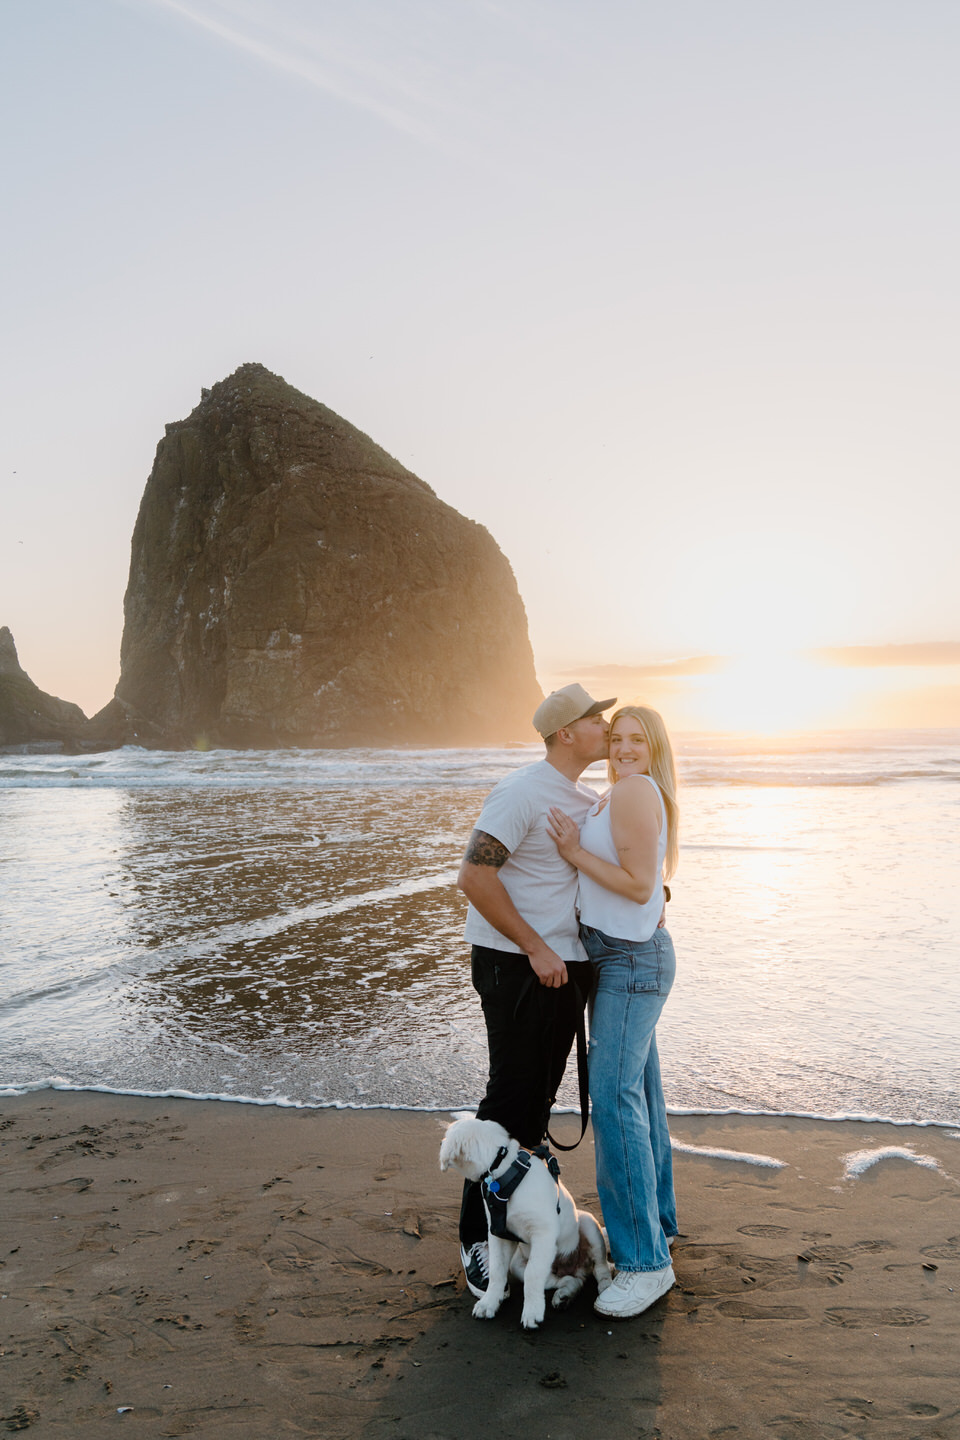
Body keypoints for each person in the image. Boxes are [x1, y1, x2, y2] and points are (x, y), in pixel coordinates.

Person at [455, 683, 616, 1295]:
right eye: (595, 718)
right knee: (509, 1105)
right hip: (516, 965)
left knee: (536, 1109)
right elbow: (474, 875)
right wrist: (535, 946)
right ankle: (476, 1242)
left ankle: (517, 1231)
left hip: (563, 969)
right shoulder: (522, 791)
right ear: (566, 732)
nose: (606, 724)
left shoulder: (584, 798)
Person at [547, 704, 679, 1319]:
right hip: (623, 959)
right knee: (640, 1098)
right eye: (617, 738)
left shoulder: (631, 792)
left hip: (630, 963)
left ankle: (648, 1264)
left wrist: (572, 852)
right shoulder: (619, 792)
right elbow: (646, 886)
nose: (624, 748)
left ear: (653, 748)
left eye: (637, 740)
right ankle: (659, 1225)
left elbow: (635, 883)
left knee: (616, 1103)